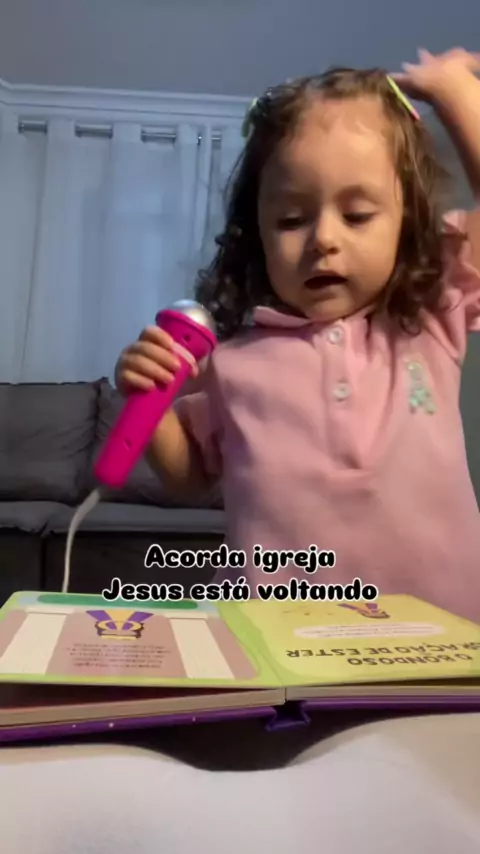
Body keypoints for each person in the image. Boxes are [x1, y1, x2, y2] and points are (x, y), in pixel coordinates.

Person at [116, 48, 480, 622]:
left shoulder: (429, 318)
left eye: (357, 215)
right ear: (256, 235)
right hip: (273, 638)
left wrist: (456, 93)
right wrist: (151, 404)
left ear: (407, 222)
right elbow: (190, 479)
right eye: (291, 220)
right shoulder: (233, 362)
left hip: (441, 637)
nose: (323, 240)